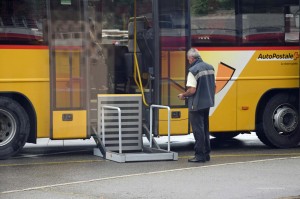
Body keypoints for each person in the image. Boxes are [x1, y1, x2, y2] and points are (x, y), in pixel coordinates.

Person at [178, 48, 215, 163]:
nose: (188, 61)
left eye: (188, 59)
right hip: (207, 103)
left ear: (192, 58)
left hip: (196, 104)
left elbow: (192, 90)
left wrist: (183, 95)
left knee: (198, 130)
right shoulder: (210, 67)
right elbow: (214, 86)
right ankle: (206, 154)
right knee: (205, 129)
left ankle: (199, 155)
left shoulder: (193, 70)